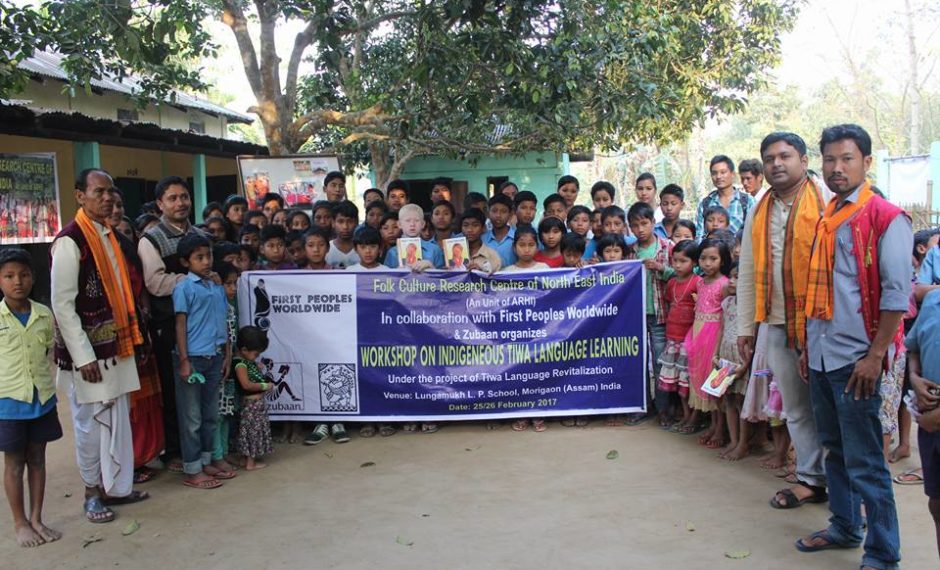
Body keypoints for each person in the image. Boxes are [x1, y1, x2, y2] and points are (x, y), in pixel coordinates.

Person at [795, 124, 909, 569]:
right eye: (830, 159)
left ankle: (883, 554)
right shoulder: (828, 217)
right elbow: (819, 294)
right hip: (823, 355)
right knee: (834, 448)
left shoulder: (886, 218)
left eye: (847, 158)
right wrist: (809, 348)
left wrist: (875, 356)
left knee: (866, 461)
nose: (837, 168)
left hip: (857, 360)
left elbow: (896, 297)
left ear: (866, 162)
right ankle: (844, 526)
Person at [736, 132, 828, 511]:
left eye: (785, 156)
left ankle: (845, 484)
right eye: (769, 157)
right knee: (796, 406)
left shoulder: (826, 199)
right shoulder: (759, 207)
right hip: (776, 321)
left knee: (832, 407)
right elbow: (747, 267)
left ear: (803, 161)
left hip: (825, 323)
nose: (776, 163)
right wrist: (745, 326)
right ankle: (811, 479)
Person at [52, 169, 149, 523]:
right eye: (99, 192)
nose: (107, 198)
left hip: (116, 346)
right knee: (90, 424)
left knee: (118, 420)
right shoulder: (70, 241)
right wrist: (83, 357)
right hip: (91, 354)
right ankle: (92, 492)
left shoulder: (110, 235)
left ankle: (116, 487)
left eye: (111, 191)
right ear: (80, 195)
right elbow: (62, 305)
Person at [0, 248, 62, 546]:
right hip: (9, 403)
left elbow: (48, 350)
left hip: (42, 399)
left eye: (23, 275)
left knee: (37, 457)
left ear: (33, 278)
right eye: (9, 276)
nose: (17, 282)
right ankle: (20, 523)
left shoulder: (43, 314)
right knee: (14, 462)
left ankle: (37, 518)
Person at [172, 233, 234, 489]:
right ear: (185, 262)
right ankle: (192, 468)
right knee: (192, 418)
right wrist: (184, 360)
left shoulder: (216, 287)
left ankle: (207, 460)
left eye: (208, 256)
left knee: (210, 414)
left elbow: (224, 321)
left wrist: (226, 354)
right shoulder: (184, 288)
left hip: (214, 355)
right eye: (199, 257)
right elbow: (180, 324)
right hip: (193, 358)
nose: (206, 261)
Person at [628, 202, 674, 427]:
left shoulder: (668, 247)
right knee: (637, 362)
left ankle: (663, 409)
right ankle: (643, 406)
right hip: (634, 316)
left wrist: (661, 268)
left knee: (659, 362)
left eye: (644, 223)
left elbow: (682, 274)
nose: (640, 229)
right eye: (635, 225)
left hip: (660, 314)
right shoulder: (629, 251)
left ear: (653, 223)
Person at [686, 238, 731, 449]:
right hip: (698, 333)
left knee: (715, 384)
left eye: (713, 258)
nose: (707, 263)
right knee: (703, 381)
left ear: (723, 261)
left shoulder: (725, 284)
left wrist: (718, 347)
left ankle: (721, 429)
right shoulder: (700, 282)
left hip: (714, 336)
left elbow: (726, 316)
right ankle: (713, 425)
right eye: (703, 258)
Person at [906, 288, 940, 559]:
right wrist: (915, 377)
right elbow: (914, 347)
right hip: (930, 421)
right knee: (937, 504)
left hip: (933, 418)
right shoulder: (933, 300)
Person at [658, 240, 701, 434]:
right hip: (672, 339)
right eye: (675, 260)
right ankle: (685, 415)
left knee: (688, 381)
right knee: (678, 382)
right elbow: (669, 302)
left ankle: (693, 418)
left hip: (689, 340)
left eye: (683, 261)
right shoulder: (672, 283)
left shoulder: (697, 283)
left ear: (694, 262)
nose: (677, 265)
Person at [716, 263, 750, 460]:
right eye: (731, 276)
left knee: (740, 401)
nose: (731, 281)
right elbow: (721, 328)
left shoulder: (750, 306)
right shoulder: (727, 302)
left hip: (741, 355)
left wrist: (746, 364)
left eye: (737, 277)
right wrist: (715, 354)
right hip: (725, 355)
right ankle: (733, 440)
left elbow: (752, 336)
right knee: (728, 399)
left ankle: (743, 443)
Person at [233, 326, 275, 471]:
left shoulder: (244, 361)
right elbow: (246, 384)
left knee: (248, 432)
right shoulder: (240, 364)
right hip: (252, 404)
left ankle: (244, 459)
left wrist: (255, 365)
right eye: (256, 354)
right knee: (252, 432)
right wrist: (265, 386)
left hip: (254, 403)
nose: (257, 357)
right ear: (244, 350)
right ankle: (250, 463)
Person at [696, 155, 755, 236]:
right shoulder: (705, 204)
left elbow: (754, 232)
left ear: (733, 174)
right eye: (714, 173)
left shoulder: (748, 202)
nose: (718, 177)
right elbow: (699, 235)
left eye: (723, 172)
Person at [384, 204, 445, 269]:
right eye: (408, 220)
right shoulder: (392, 252)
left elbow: (444, 274)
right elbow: (385, 274)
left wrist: (431, 266)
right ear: (399, 224)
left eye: (417, 220)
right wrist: (397, 272)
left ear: (423, 224)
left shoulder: (434, 249)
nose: (412, 224)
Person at [462, 209, 501, 274]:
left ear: (483, 228)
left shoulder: (492, 256)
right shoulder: (453, 254)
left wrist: (481, 273)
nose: (469, 230)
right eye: (465, 225)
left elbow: (497, 279)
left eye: (475, 225)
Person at [483, 194, 516, 268]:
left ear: (510, 214)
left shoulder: (517, 237)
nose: (498, 215)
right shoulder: (482, 239)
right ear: (488, 213)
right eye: (494, 211)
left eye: (503, 211)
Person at [325, 201, 360, 269]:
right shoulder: (326, 249)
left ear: (356, 222)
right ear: (333, 223)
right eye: (340, 221)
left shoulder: (364, 249)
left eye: (350, 221)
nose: (345, 226)